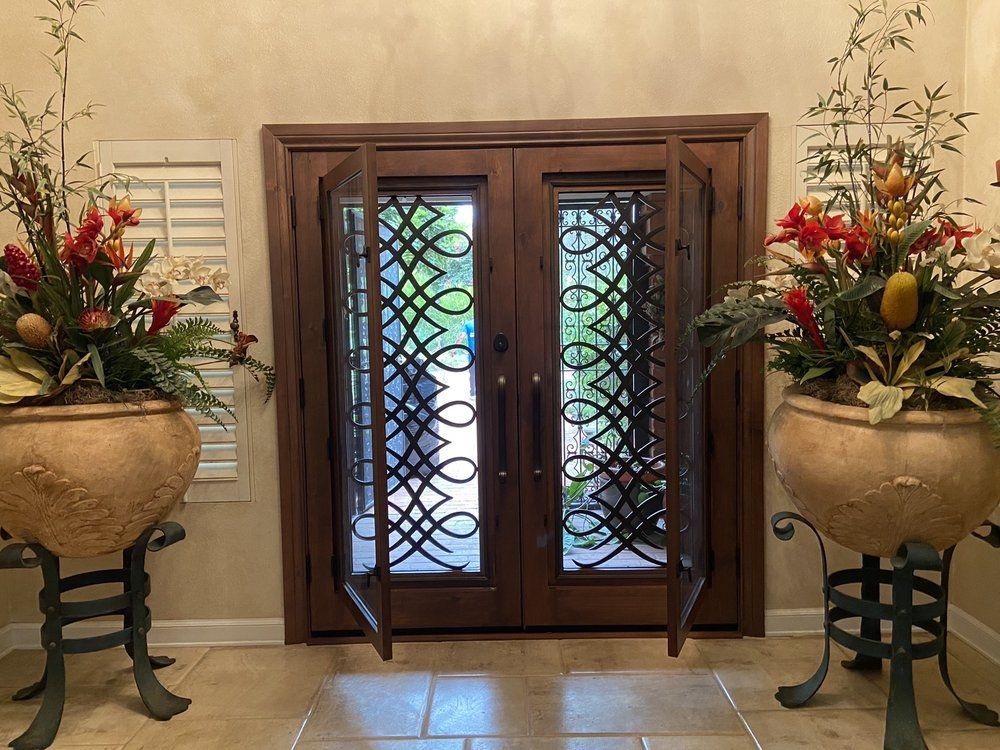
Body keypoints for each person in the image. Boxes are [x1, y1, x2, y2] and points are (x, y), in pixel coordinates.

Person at [458, 319, 476, 398]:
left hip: (472, 355)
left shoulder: (468, 324)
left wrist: (454, 350)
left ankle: (473, 393)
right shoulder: (484, 323)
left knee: (473, 374)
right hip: (484, 354)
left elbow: (461, 337)